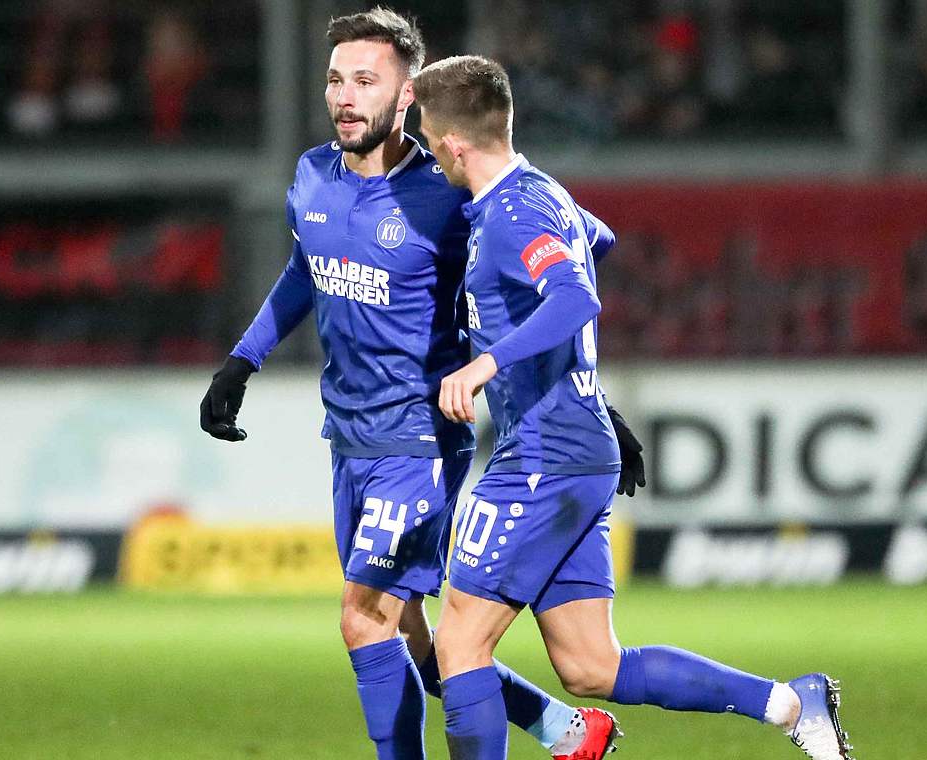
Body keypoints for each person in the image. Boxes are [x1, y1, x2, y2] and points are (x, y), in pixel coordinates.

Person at [199, 9, 644, 760]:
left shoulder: (451, 191)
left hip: (422, 436)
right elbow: (307, 268)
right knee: (413, 634)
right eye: (335, 78)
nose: (344, 96)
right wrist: (243, 361)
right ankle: (564, 731)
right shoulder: (312, 176)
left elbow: (580, 244)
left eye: (365, 80)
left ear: (407, 95)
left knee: (362, 616)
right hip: (350, 436)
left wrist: (592, 396)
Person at [412, 54, 854, 760]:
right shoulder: (545, 195)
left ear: (454, 143)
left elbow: (575, 296)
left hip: (542, 455)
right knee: (591, 665)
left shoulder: (506, 217)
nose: (432, 155)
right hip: (577, 442)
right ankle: (792, 703)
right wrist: (577, 375)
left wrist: (490, 360)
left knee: (459, 640)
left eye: (430, 141)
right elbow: (597, 242)